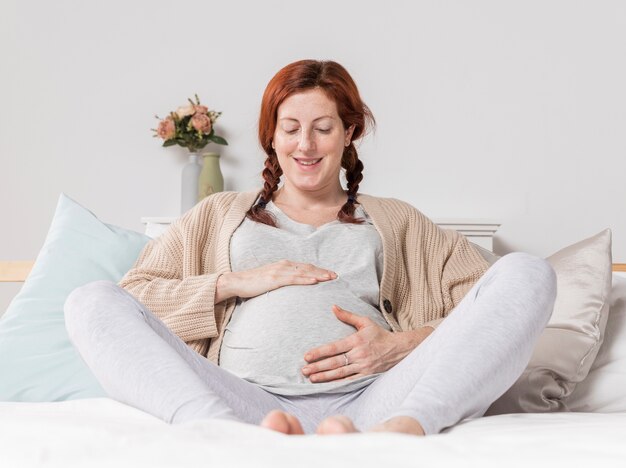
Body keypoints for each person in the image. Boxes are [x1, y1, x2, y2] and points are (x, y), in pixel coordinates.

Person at [64, 59, 557, 436]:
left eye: (323, 128)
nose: (306, 145)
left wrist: (398, 346)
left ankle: (401, 435)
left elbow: (487, 309)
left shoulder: (397, 220)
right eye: (291, 128)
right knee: (88, 301)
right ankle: (218, 437)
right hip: (241, 402)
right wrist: (234, 282)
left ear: (349, 134)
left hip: (376, 401)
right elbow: (137, 296)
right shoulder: (217, 214)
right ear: (271, 136)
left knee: (529, 272)